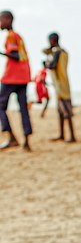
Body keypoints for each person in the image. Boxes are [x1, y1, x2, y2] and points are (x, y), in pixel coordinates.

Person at [1, 9, 32, 152]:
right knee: (23, 108)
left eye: (1, 19)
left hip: (13, 76)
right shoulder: (18, 36)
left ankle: (12, 137)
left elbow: (15, 56)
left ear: (8, 19)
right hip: (23, 76)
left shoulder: (11, 36)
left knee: (0, 105)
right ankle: (26, 141)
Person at [44, 33, 76, 144]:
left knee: (66, 111)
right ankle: (62, 134)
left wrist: (46, 64)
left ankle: (72, 136)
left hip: (60, 85)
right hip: (63, 82)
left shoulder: (57, 52)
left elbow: (52, 65)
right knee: (60, 112)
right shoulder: (64, 52)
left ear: (52, 40)